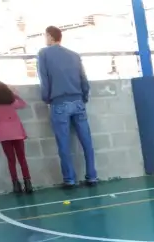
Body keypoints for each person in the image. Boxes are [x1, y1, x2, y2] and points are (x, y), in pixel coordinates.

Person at [37, 26, 98, 188]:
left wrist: (47, 98)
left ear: (50, 37)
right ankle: (92, 176)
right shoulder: (74, 55)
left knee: (64, 144)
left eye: (45, 36)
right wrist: (83, 97)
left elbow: (44, 80)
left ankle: (70, 179)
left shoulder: (43, 54)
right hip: (78, 100)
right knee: (87, 142)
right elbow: (84, 79)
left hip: (59, 102)